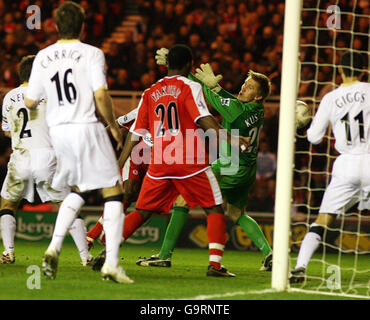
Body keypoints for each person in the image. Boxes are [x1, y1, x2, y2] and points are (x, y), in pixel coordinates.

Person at [93, 44, 251, 277]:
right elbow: (204, 119)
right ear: (188, 64)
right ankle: (215, 265)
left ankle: (109, 250)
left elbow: (135, 134)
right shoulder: (190, 87)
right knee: (214, 207)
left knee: (142, 211)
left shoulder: (150, 92)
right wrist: (233, 139)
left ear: (167, 64)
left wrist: (119, 163)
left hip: (160, 163)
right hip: (189, 160)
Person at [24, 2, 132, 284]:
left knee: (78, 190)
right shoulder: (91, 53)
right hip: (85, 127)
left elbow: (30, 100)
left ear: (56, 26)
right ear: (83, 25)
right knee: (115, 193)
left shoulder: (43, 56)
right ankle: (111, 263)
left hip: (59, 133)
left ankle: (53, 246)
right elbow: (100, 95)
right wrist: (112, 126)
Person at [137, 49, 273, 270]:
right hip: (246, 171)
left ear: (258, 96)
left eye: (250, 88)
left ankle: (164, 254)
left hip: (230, 166)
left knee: (182, 200)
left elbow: (212, 100)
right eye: (245, 83)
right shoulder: (255, 109)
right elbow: (228, 100)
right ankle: (269, 254)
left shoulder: (238, 111)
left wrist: (187, 76)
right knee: (237, 213)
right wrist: (215, 88)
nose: (243, 87)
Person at [0, 55, 92, 266]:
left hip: (20, 157)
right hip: (47, 156)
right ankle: (85, 256)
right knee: (66, 204)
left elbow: (7, 132)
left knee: (8, 204)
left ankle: (9, 252)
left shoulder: (9, 97)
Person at [290, 51, 370, 283]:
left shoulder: (330, 98)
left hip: (345, 165)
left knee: (323, 219)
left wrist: (302, 124)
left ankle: (300, 266)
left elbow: (314, 138)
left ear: (340, 70)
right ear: (364, 70)